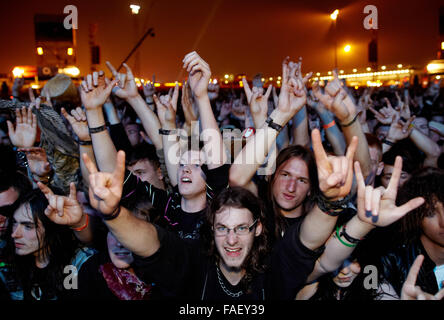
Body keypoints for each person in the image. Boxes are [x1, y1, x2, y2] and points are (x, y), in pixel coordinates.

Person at [0, 187, 94, 300]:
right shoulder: (9, 265)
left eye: (28, 226)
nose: (15, 234)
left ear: (52, 227)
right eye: (15, 223)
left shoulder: (77, 264)